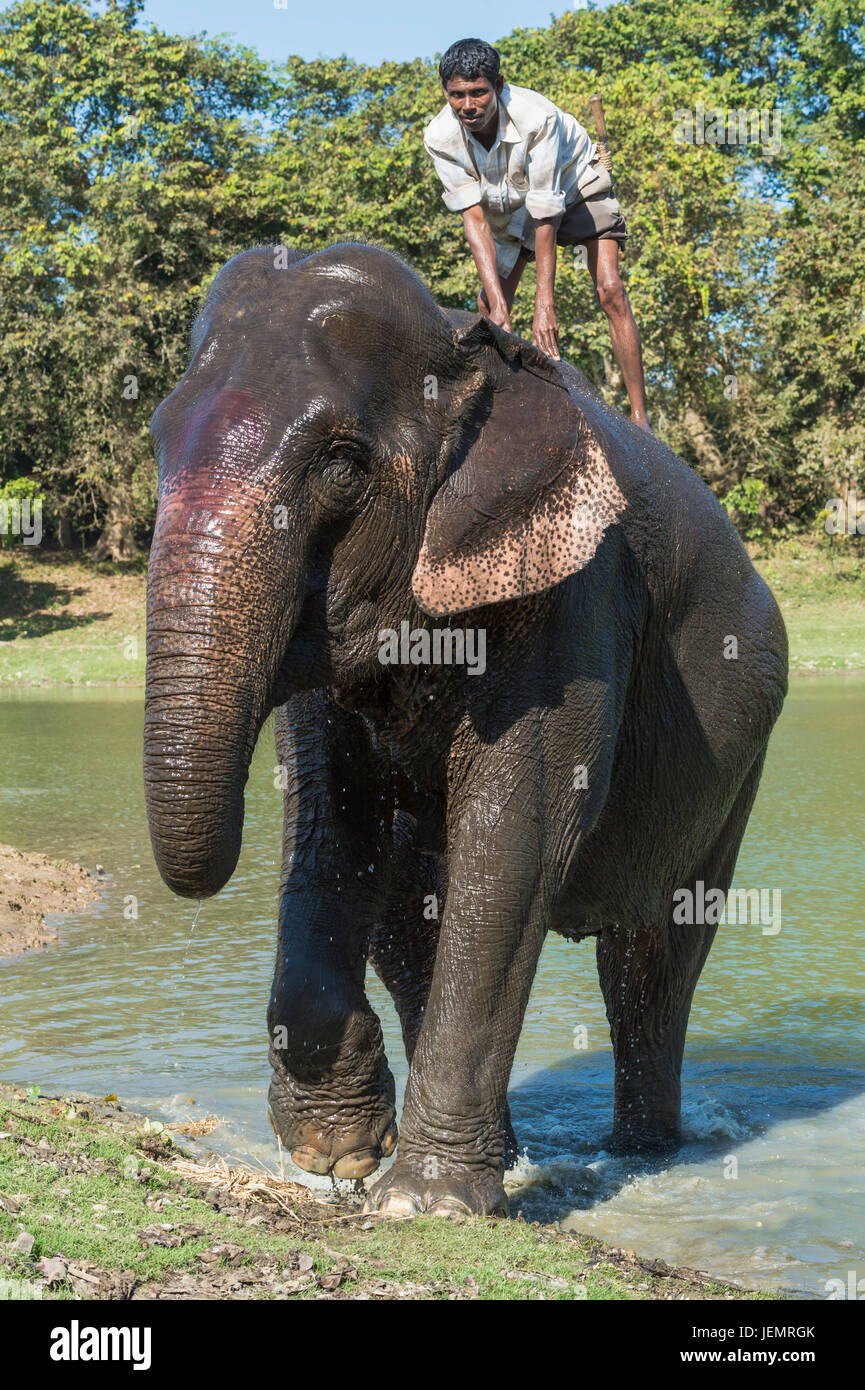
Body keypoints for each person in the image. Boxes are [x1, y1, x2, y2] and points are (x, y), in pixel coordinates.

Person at [424, 37, 653, 433]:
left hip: (576, 182)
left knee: (610, 288)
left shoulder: (537, 117)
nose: (468, 106)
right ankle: (504, 418)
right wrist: (498, 304)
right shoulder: (439, 137)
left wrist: (544, 304)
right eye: (456, 95)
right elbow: (475, 220)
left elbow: (547, 212)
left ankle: (641, 418)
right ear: (445, 92)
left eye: (478, 92)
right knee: (488, 312)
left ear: (498, 84)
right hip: (512, 203)